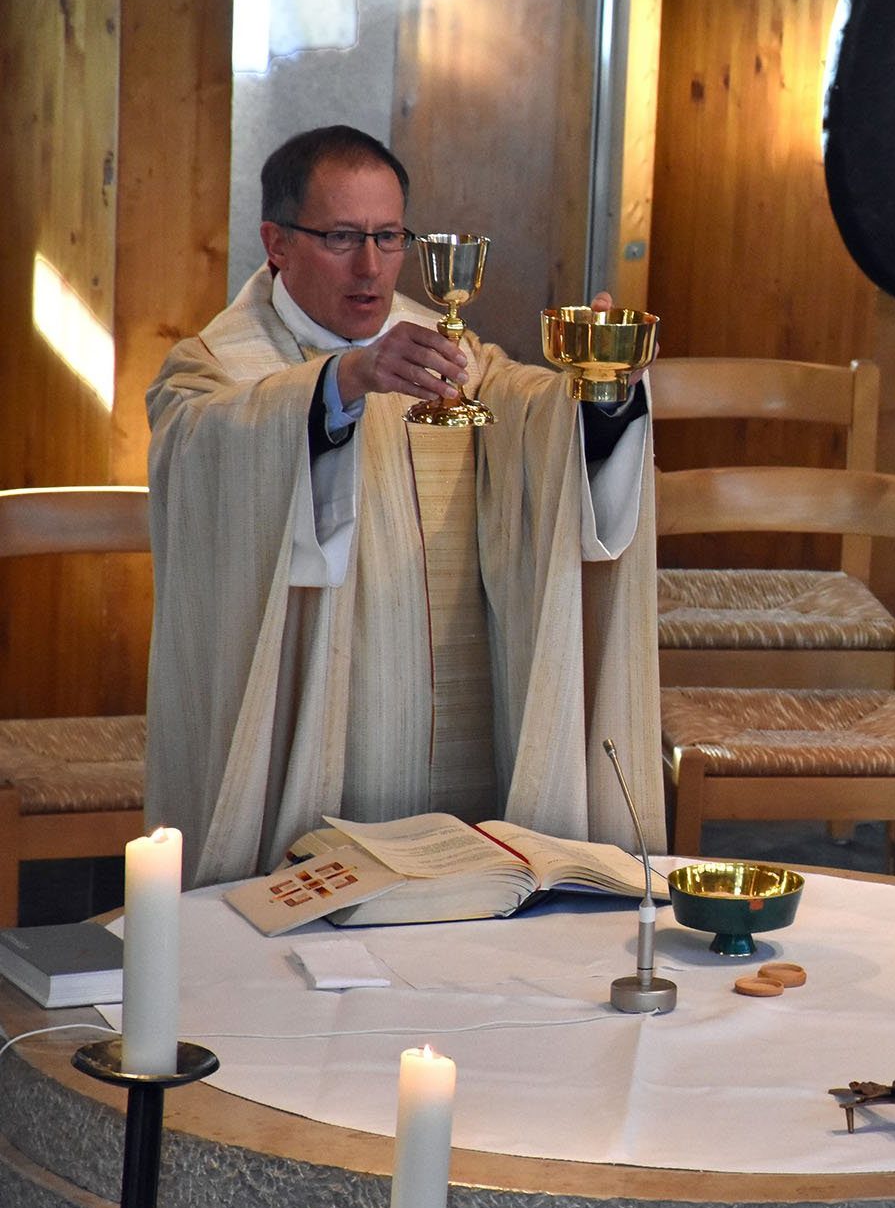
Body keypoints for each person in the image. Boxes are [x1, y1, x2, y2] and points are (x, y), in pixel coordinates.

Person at [145, 125, 661, 886]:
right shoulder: (215, 368)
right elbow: (200, 449)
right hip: (314, 759)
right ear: (276, 242)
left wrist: (598, 387)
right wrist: (340, 385)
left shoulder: (441, 348)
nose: (372, 267)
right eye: (343, 237)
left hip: (462, 745)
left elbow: (522, 410)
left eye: (389, 237)